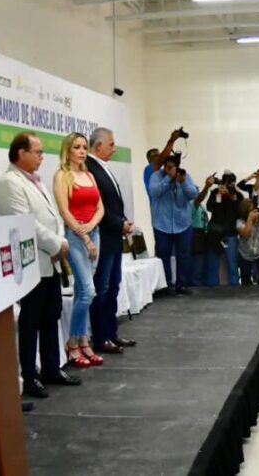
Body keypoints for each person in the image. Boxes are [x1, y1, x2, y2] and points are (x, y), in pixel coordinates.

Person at [0, 132, 82, 398]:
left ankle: (50, 369)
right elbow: (25, 224)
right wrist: (58, 244)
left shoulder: (34, 181)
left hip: (50, 262)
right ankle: (30, 377)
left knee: (51, 316)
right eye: (37, 152)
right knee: (31, 321)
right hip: (32, 264)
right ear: (21, 153)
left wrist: (59, 242)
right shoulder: (10, 183)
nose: (42, 157)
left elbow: (51, 217)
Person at [52, 132, 105, 368]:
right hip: (75, 237)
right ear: (68, 150)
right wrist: (86, 239)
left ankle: (84, 339)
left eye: (84, 147)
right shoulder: (62, 176)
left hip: (93, 233)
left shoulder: (90, 175)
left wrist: (92, 229)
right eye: (77, 147)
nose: (82, 151)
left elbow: (99, 208)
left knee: (83, 292)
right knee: (89, 291)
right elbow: (65, 212)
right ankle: (73, 342)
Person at [85, 128, 137, 355]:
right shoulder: (91, 169)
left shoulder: (102, 168)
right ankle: (101, 336)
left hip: (114, 237)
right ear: (98, 146)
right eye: (111, 144)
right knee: (102, 289)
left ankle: (112, 333)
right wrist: (119, 224)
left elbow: (113, 205)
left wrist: (123, 222)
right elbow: (99, 208)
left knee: (113, 287)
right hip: (104, 238)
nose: (114, 149)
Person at [149, 152, 198, 294]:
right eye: (168, 167)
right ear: (164, 166)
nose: (170, 170)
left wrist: (182, 183)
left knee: (184, 255)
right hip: (162, 224)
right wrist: (168, 179)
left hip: (183, 223)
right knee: (163, 255)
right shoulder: (156, 176)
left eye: (173, 167)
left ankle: (181, 285)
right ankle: (166, 285)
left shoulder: (184, 176)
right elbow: (154, 192)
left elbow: (193, 194)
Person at [197, 171, 242, 286]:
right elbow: (209, 207)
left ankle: (235, 291)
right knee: (213, 266)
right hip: (215, 234)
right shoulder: (216, 192)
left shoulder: (237, 194)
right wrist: (219, 196)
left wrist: (231, 196)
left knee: (233, 266)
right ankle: (212, 292)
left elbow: (240, 211)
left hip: (230, 234)